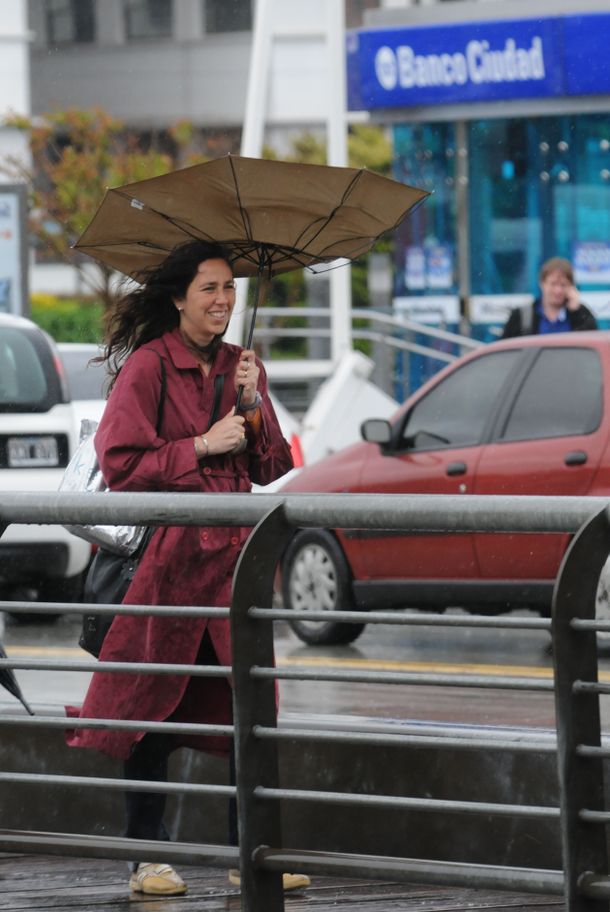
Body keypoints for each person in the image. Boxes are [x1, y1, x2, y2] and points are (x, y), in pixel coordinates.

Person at [66, 240, 308, 896]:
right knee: (150, 709)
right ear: (178, 297)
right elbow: (120, 466)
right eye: (209, 288)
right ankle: (146, 857)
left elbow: (270, 467)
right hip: (169, 568)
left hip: (232, 567)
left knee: (248, 706)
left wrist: (253, 407)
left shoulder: (240, 365)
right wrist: (198, 446)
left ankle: (249, 851)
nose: (223, 301)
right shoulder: (149, 368)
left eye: (229, 288)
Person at [501, 257, 598, 338]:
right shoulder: (522, 316)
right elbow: (505, 352)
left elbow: (592, 346)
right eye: (553, 284)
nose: (558, 290)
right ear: (542, 283)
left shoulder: (582, 315)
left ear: (571, 287)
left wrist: (577, 311)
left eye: (563, 285)